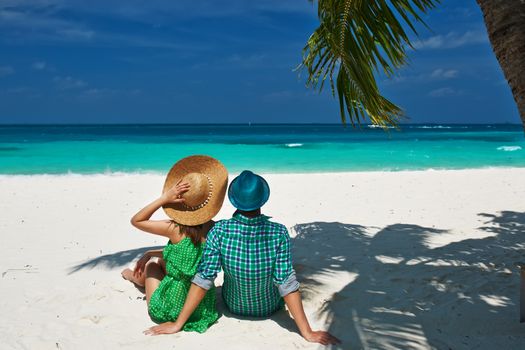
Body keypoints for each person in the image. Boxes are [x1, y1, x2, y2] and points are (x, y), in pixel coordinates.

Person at [144, 170, 340, 345]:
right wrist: (307, 332)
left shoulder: (219, 231)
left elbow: (204, 278)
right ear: (263, 200)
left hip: (234, 305)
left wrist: (178, 324)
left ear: (232, 200)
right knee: (286, 273)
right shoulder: (279, 232)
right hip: (269, 308)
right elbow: (285, 281)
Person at [121, 155, 228, 333]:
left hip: (172, 306)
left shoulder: (174, 229)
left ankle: (131, 276)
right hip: (201, 307)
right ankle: (133, 276)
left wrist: (164, 198)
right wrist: (151, 252)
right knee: (164, 260)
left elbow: (137, 220)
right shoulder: (215, 229)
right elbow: (189, 254)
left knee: (152, 267)